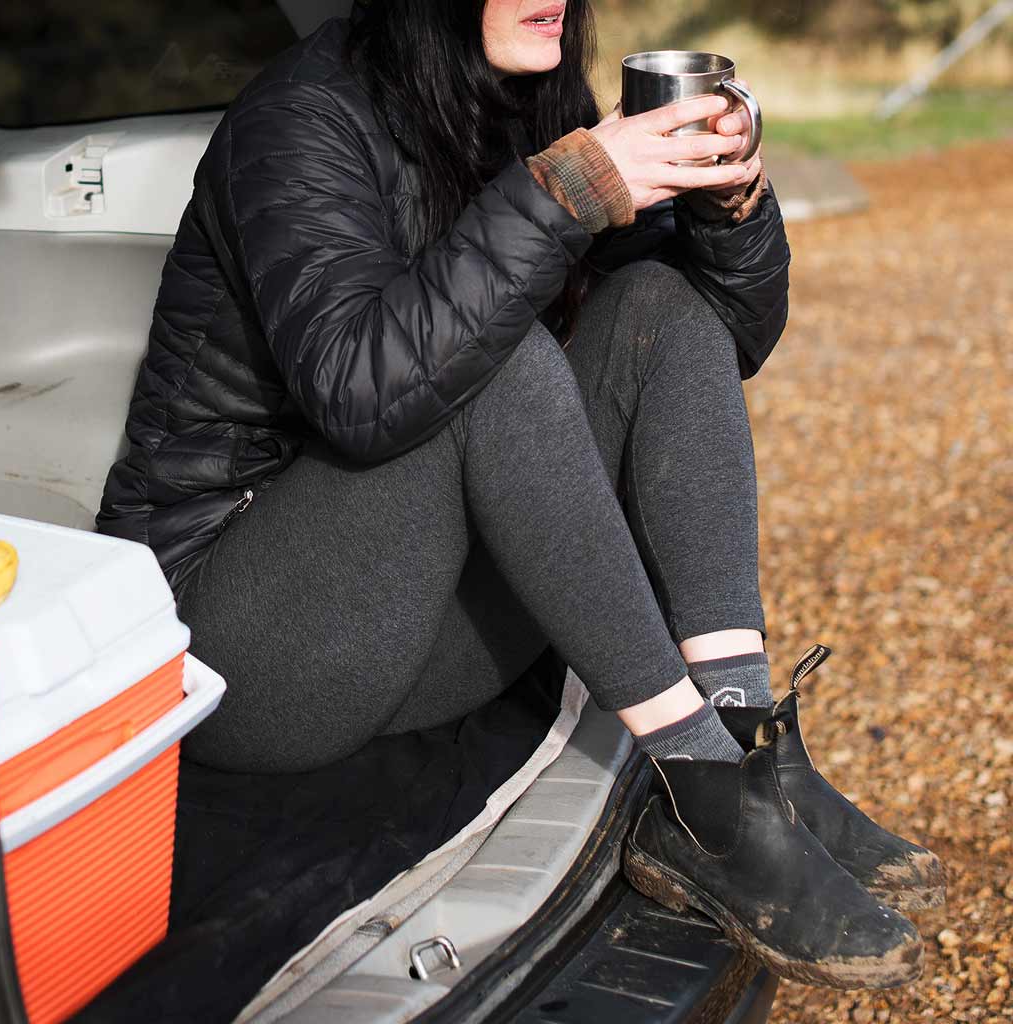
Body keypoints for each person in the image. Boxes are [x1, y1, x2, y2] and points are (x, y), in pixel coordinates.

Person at [96, 0, 944, 991]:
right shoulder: (298, 120)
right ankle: (699, 786)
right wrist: (567, 191)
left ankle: (746, 740)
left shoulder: (527, 99)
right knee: (500, 363)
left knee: (660, 303)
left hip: (411, 625)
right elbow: (362, 392)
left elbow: (719, 338)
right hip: (240, 654)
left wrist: (729, 205)